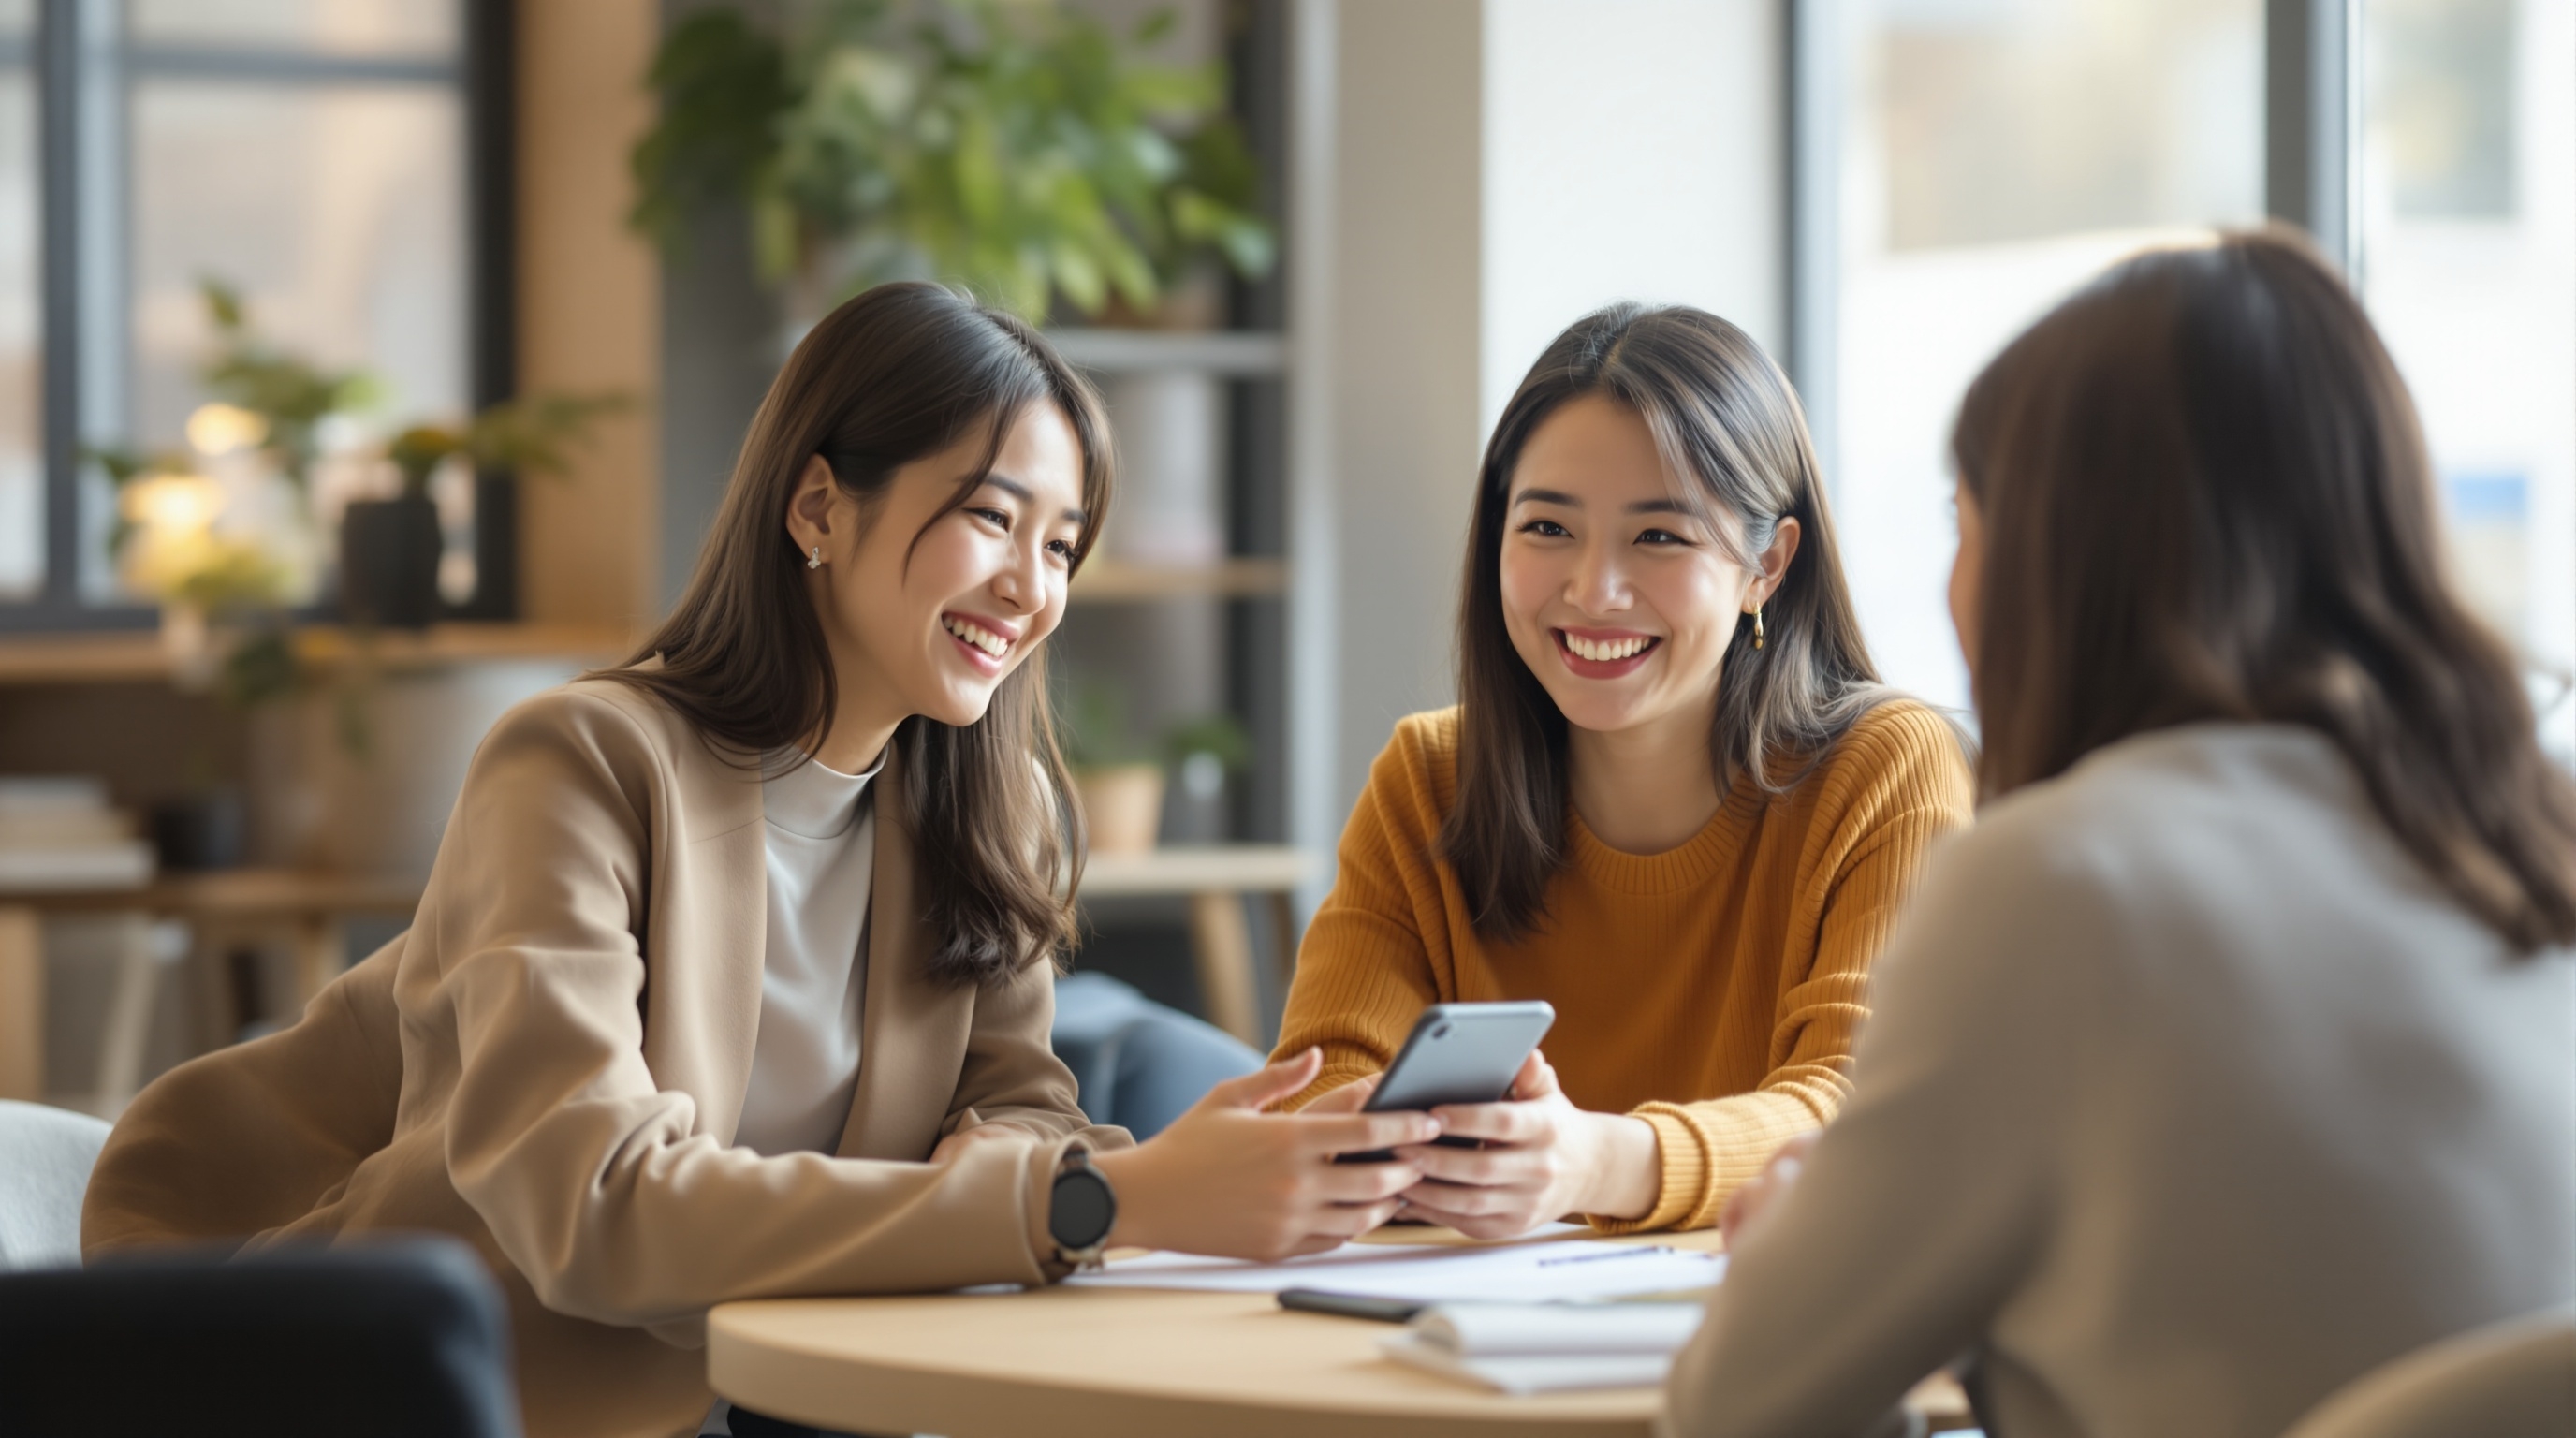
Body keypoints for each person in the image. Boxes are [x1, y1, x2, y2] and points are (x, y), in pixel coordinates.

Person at [81, 283, 1442, 1438]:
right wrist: (1094, 1197)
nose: (1033, 588)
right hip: (436, 1393)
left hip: (761, 1394)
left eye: (1063, 544)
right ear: (816, 507)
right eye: (989, 517)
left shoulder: (989, 808)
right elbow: (595, 1209)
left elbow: (1021, 1105)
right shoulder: (581, 765)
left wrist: (1073, 1170)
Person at [1666, 231, 2576, 1438]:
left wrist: (1790, 1249)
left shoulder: (2063, 880)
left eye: (1962, 515)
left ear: (2055, 554)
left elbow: (1741, 1416)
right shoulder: (2530, 834)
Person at [1269, 303, 1974, 1237]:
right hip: (1456, 1342)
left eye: (1659, 537)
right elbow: (1316, 1090)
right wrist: (1391, 1145)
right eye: (1547, 528)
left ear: (1767, 564)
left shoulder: (1884, 769)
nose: (1592, 590)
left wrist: (1591, 1163)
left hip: (1755, 1342)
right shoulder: (1428, 777)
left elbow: (1868, 1113)